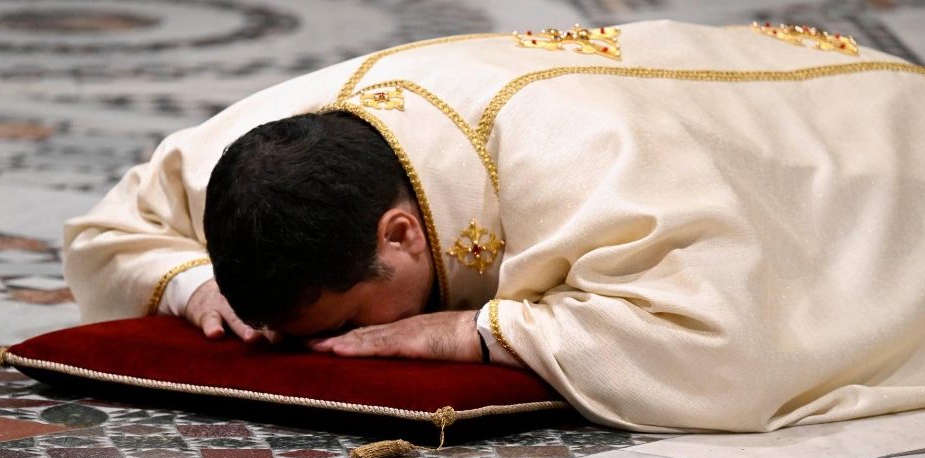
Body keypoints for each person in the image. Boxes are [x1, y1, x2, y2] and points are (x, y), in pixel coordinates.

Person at [63, 20, 925, 432]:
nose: (346, 353)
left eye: (357, 323)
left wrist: (480, 330)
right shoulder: (256, 146)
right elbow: (112, 227)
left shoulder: (590, 164)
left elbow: (723, 347)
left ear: (400, 234)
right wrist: (191, 283)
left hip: (865, 146)